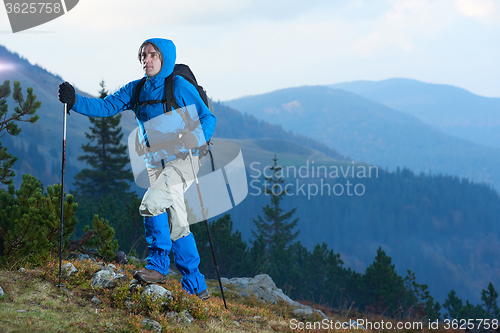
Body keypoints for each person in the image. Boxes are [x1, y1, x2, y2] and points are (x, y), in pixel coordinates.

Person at [58, 38, 216, 300]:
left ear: (164, 59)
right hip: (155, 162)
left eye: (153, 55)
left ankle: (157, 266)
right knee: (178, 221)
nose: (147, 60)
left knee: (152, 203)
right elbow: (107, 106)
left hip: (184, 158)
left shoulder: (178, 86)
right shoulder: (137, 89)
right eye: (144, 55)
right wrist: (75, 101)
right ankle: (196, 287)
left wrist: (196, 137)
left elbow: (207, 117)